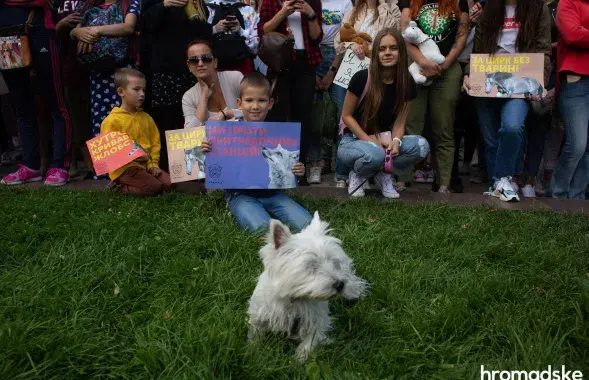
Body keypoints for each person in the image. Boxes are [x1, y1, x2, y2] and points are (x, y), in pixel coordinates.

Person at [200, 72, 313, 233]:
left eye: (261, 100)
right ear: (239, 103)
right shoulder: (225, 133)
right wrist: (208, 151)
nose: (255, 106)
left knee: (307, 225)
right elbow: (214, 167)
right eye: (249, 100)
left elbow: (288, 167)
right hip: (241, 195)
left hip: (273, 194)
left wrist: (298, 170)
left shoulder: (279, 133)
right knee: (264, 230)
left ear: (270, 103)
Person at [463, 0, 551, 202]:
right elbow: (477, 50)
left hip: (518, 84)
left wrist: (539, 81)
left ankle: (502, 179)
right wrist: (469, 74)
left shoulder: (538, 8)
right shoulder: (489, 10)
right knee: (491, 141)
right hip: (487, 80)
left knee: (512, 127)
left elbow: (544, 50)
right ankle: (498, 187)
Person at [337, 28, 430, 199]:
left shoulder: (407, 82)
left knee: (422, 146)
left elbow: (400, 122)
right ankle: (358, 174)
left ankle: (382, 174)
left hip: (384, 140)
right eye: (382, 48)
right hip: (352, 141)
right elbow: (346, 116)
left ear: (401, 52)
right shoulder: (361, 77)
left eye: (393, 48)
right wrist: (371, 141)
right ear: (376, 53)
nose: (387, 53)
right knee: (376, 154)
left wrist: (395, 141)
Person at [398, 0, 469, 194]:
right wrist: (423, 61)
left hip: (448, 69)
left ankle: (444, 184)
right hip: (416, 67)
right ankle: (402, 180)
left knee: (444, 128)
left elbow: (461, 36)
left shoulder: (458, 2)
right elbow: (405, 35)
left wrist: (444, 64)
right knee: (411, 125)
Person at [0, 0, 72, 186]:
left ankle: (60, 165)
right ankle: (30, 166)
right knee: (21, 104)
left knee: (55, 100)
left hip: (38, 29)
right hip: (6, 36)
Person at [332, 0, 400, 187]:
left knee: (369, 118)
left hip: (374, 75)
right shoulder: (354, 11)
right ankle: (342, 174)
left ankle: (369, 172)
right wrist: (350, 45)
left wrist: (384, 6)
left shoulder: (390, 9)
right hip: (349, 71)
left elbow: (394, 38)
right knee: (344, 119)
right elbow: (338, 42)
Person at [141, 0, 212, 171]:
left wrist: (197, 14)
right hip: (164, 69)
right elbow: (144, 24)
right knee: (167, 119)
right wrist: (163, 5)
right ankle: (169, 169)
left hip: (191, 67)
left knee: (190, 117)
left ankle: (192, 170)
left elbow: (203, 32)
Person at [258, 0, 323, 186]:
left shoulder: (312, 2)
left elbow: (317, 37)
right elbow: (262, 31)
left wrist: (310, 14)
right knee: (275, 116)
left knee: (302, 118)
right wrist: (283, 12)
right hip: (280, 64)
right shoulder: (271, 1)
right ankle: (273, 170)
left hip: (305, 63)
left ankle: (297, 173)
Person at [70, 0, 140, 140]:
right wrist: (76, 31)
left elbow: (128, 27)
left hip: (122, 71)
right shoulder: (88, 4)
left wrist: (96, 29)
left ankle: (131, 160)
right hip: (97, 71)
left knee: (125, 118)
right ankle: (104, 162)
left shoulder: (129, 2)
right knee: (100, 121)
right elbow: (74, 32)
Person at [101, 68, 172, 196]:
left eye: (143, 90)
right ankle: (118, 187)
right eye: (136, 89)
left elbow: (155, 144)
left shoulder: (147, 118)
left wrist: (153, 165)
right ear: (121, 91)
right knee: (153, 187)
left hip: (145, 166)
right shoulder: (112, 121)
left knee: (169, 183)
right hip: (125, 169)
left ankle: (146, 182)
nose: (142, 94)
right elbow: (110, 153)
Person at [308, 0, 353, 185]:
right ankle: (315, 164)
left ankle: (343, 168)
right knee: (313, 116)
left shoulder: (345, 3)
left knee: (344, 114)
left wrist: (332, 70)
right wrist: (312, 73)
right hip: (312, 56)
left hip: (338, 56)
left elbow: (346, 38)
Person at [550, 0, 589, 199]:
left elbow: (581, 34)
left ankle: (577, 199)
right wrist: (580, 32)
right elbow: (573, 35)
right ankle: (558, 195)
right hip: (577, 81)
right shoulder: (567, 2)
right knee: (577, 145)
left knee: (587, 148)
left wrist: (585, 30)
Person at [54, 0, 93, 178]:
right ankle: (89, 165)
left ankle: (106, 164)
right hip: (69, 65)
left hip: (98, 63)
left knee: (99, 116)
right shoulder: (57, 3)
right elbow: (48, 33)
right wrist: (63, 26)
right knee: (77, 117)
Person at [182, 40, 244, 128]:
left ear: (215, 62)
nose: (200, 64)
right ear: (189, 66)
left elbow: (255, 109)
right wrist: (204, 97)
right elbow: (190, 133)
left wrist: (224, 114)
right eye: (194, 60)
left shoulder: (235, 78)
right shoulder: (188, 97)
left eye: (206, 58)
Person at [207, 0, 259, 74]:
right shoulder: (208, 9)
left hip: (243, 67)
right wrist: (215, 29)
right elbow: (199, 42)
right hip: (214, 68)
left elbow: (255, 49)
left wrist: (241, 31)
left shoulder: (249, 10)